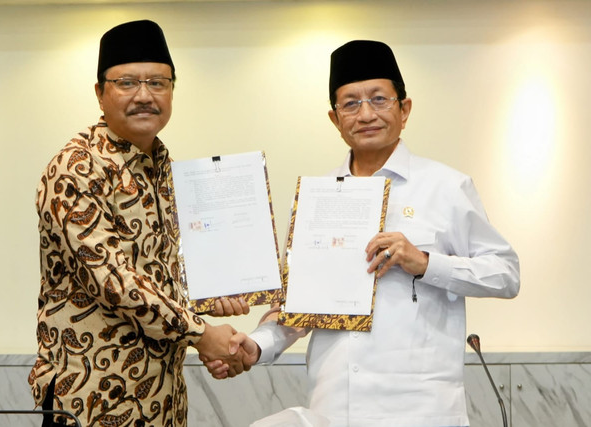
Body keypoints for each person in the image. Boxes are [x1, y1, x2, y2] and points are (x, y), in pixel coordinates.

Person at [205, 40, 520, 427]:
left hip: (422, 411)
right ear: (335, 120)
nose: (366, 114)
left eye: (379, 99)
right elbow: (300, 307)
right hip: (333, 408)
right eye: (350, 103)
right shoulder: (314, 199)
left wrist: (424, 262)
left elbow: (506, 274)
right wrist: (255, 346)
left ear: (404, 109)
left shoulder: (446, 187)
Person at [28, 20, 251, 427]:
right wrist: (202, 334)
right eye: (127, 82)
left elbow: (159, 274)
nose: (145, 96)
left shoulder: (162, 166)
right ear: (100, 92)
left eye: (158, 83)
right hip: (91, 399)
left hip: (161, 401)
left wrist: (209, 296)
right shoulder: (77, 167)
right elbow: (113, 279)